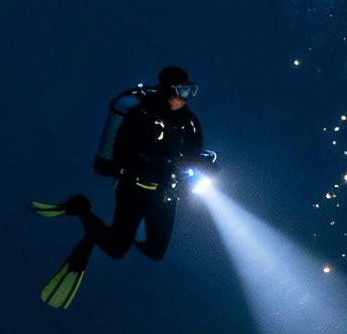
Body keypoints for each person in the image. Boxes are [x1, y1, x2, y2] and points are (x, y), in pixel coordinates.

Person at [33, 66, 216, 308]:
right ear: (166, 90)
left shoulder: (189, 122)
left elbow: (193, 153)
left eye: (191, 91)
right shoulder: (142, 115)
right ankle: (81, 209)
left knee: (155, 252)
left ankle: (110, 233)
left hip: (165, 194)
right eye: (182, 91)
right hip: (134, 190)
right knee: (116, 249)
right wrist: (166, 162)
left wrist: (205, 164)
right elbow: (126, 153)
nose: (186, 97)